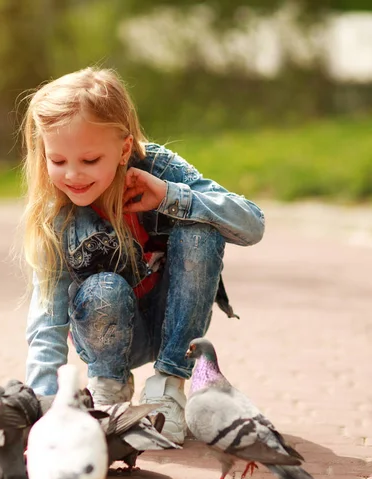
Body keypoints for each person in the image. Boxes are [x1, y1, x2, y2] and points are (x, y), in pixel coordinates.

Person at [20, 67, 264, 444]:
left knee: (200, 225)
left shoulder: (159, 167)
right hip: (108, 332)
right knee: (102, 287)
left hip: (173, 322)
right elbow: (48, 319)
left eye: (89, 160)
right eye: (58, 161)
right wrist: (41, 405)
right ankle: (110, 390)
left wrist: (170, 196)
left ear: (122, 150)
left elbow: (252, 224)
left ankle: (168, 385)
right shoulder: (58, 215)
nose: (73, 175)